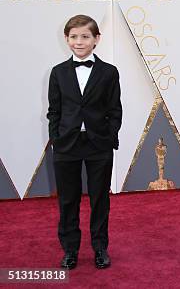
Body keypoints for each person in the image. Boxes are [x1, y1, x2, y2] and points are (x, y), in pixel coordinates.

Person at [47, 14, 122, 269]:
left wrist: (109, 136)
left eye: (85, 36)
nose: (79, 41)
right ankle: (70, 250)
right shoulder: (58, 73)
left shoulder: (109, 72)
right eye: (74, 36)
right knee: (68, 199)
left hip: (98, 144)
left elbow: (115, 109)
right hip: (66, 144)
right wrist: (56, 138)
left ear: (96, 39)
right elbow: (54, 111)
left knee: (100, 198)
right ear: (67, 39)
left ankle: (100, 248)